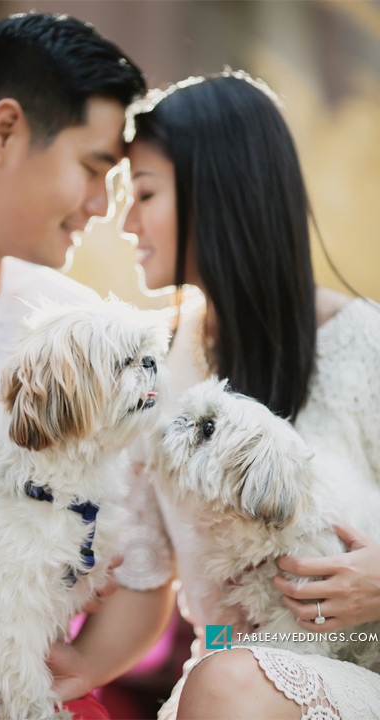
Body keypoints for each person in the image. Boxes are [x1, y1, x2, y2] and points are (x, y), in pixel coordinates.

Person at [0, 12, 175, 718]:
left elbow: (148, 559)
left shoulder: (83, 335)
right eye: (93, 170)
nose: (101, 208)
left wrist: (74, 669)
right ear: (5, 132)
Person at [121, 72, 380, 719]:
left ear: (218, 195)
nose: (127, 223)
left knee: (228, 686)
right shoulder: (148, 373)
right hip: (225, 678)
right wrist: (52, 674)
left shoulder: (365, 343)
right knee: (223, 680)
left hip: (358, 678)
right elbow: (143, 582)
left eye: (145, 194)